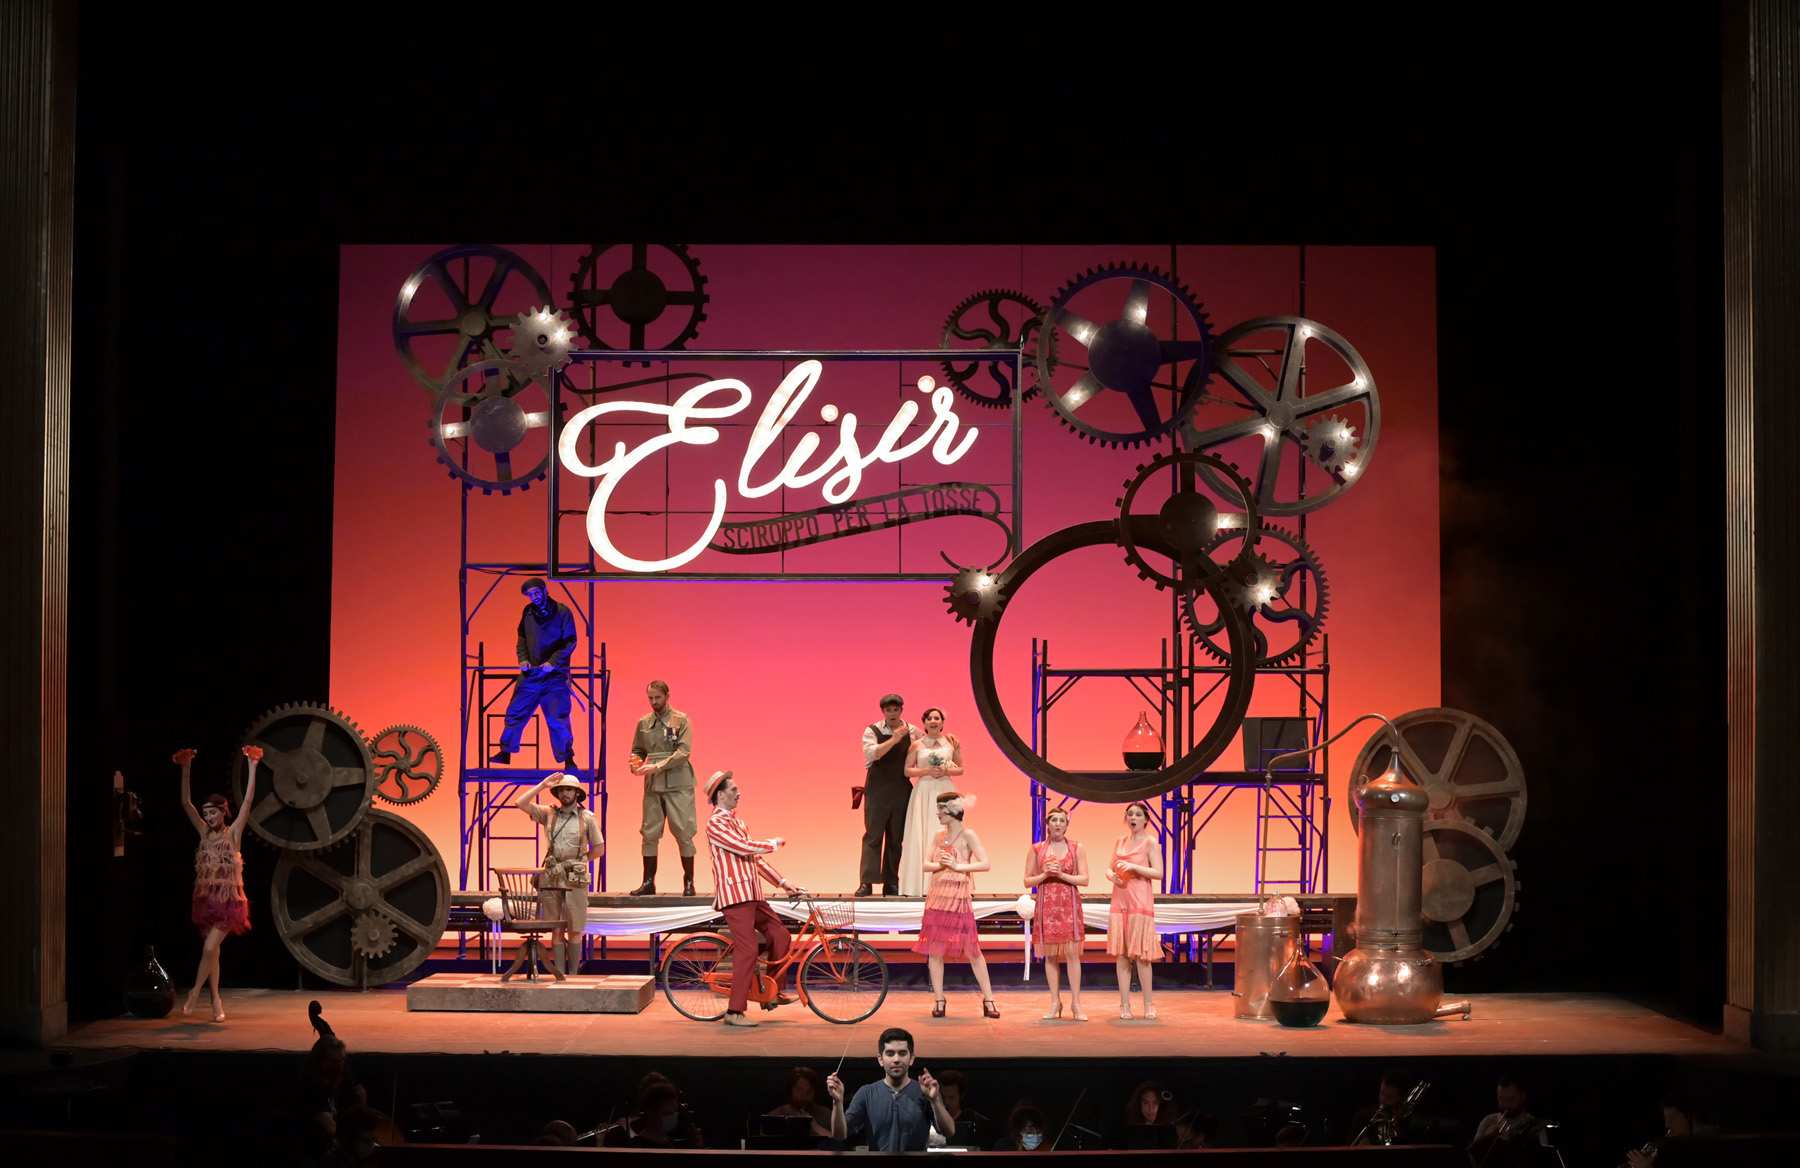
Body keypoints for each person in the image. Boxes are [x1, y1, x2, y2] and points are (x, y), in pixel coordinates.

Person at [705, 769, 803, 1027]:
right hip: (735, 896)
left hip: (752, 894)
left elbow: (754, 859)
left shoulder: (738, 823)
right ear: (721, 795)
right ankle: (734, 1011)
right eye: (734, 790)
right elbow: (742, 847)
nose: (738, 793)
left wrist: (783, 882)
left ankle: (771, 991)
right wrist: (772, 843)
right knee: (747, 949)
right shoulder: (716, 823)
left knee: (780, 935)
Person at [177, 745, 258, 1022]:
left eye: (213, 813)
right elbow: (185, 804)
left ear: (223, 811)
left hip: (229, 902)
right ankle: (215, 1001)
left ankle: (194, 993)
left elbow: (247, 802)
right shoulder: (204, 833)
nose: (209, 818)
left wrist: (253, 766)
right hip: (207, 899)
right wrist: (186, 768)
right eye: (206, 814)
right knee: (214, 954)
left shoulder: (232, 834)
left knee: (210, 949)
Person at [914, 791, 1000, 1017]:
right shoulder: (938, 836)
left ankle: (989, 999)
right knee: (935, 951)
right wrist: (942, 865)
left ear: (953, 810)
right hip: (938, 896)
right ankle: (939, 999)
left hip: (958, 898)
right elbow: (925, 864)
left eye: (941, 809)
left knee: (973, 950)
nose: (938, 813)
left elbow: (985, 864)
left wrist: (957, 866)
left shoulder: (968, 835)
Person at [513, 772, 603, 974]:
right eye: (561, 790)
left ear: (577, 793)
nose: (564, 793)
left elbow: (599, 849)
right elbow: (520, 803)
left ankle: (573, 976)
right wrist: (542, 785)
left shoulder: (587, 818)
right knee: (556, 928)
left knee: (575, 928)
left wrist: (580, 861)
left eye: (569, 789)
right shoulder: (549, 814)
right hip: (552, 874)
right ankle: (559, 975)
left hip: (575, 876)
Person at [488, 577, 577, 771]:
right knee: (515, 712)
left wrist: (553, 661)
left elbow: (570, 641)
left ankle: (567, 758)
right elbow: (522, 637)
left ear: (545, 591)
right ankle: (506, 751)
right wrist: (523, 659)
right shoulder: (528, 613)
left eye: (536, 593)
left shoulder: (562, 612)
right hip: (532, 674)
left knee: (557, 718)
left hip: (555, 676)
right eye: (530, 595)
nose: (534, 597)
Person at [826, 1027, 956, 1152]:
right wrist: (837, 1102)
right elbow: (839, 1135)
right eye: (890, 1054)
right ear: (880, 1059)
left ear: (911, 1059)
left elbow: (949, 1132)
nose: (896, 1060)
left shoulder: (924, 1092)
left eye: (902, 1053)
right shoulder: (866, 1093)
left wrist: (934, 1101)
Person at [628, 680, 697, 895]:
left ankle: (689, 882)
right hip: (653, 784)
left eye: (657, 697)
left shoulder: (681, 719)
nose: (653, 702)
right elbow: (638, 749)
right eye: (650, 698)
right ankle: (648, 882)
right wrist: (635, 762)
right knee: (649, 832)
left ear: (667, 696)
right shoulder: (644, 722)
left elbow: (683, 752)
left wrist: (657, 766)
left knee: (684, 831)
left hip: (678, 782)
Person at [1024, 806, 1089, 1020]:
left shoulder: (1076, 847)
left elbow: (1084, 879)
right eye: (1054, 820)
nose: (1058, 824)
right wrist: (1044, 874)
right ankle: (1054, 1002)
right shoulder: (1036, 849)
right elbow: (1027, 881)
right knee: (1050, 956)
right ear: (1048, 824)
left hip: (1069, 905)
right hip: (1047, 907)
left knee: (1072, 955)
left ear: (1067, 824)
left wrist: (1061, 874)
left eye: (1062, 820)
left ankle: (1076, 1004)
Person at [1106, 801, 1164, 1019]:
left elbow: (1158, 873)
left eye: (1138, 814)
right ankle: (1124, 1005)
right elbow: (1110, 867)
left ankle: (1149, 1004)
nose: (1133, 818)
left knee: (1142, 956)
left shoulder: (1150, 842)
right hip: (1120, 899)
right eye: (1130, 814)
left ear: (1145, 819)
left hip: (1140, 901)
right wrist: (1110, 875)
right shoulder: (1120, 841)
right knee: (1122, 955)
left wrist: (1135, 867)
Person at [857, 694, 918, 897]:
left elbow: (926, 747)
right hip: (877, 789)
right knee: (873, 836)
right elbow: (872, 753)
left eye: (895, 709)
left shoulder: (912, 731)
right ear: (883, 711)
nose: (892, 713)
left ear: (901, 710)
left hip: (901, 789)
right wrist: (894, 739)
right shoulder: (872, 730)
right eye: (888, 710)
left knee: (896, 838)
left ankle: (891, 882)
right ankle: (866, 883)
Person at [898, 708, 963, 896]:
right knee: (922, 832)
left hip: (945, 789)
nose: (933, 721)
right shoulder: (916, 745)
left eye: (936, 718)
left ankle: (949, 884)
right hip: (923, 791)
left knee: (947, 831)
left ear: (942, 722)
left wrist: (946, 771)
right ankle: (918, 885)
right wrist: (926, 771)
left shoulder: (951, 743)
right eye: (929, 718)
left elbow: (960, 768)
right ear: (924, 723)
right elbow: (907, 771)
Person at [1468, 1075, 1548, 1166]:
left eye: (1511, 1099)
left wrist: (1509, 1145)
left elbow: (1542, 1162)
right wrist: (1484, 1142)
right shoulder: (1488, 1121)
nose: (1506, 1105)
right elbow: (1473, 1162)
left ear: (1523, 1097)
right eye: (1501, 1099)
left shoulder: (1535, 1126)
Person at [1624, 1090, 1715, 1167]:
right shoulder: (1676, 1144)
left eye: (1673, 1117)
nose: (1667, 1124)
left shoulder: (1712, 1145)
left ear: (1690, 1116)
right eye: (1666, 1118)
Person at [766, 1067, 833, 1139]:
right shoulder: (775, 1116)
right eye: (798, 1090)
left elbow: (837, 1141)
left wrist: (814, 1125)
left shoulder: (826, 1114)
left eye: (809, 1092)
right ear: (790, 1091)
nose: (803, 1096)